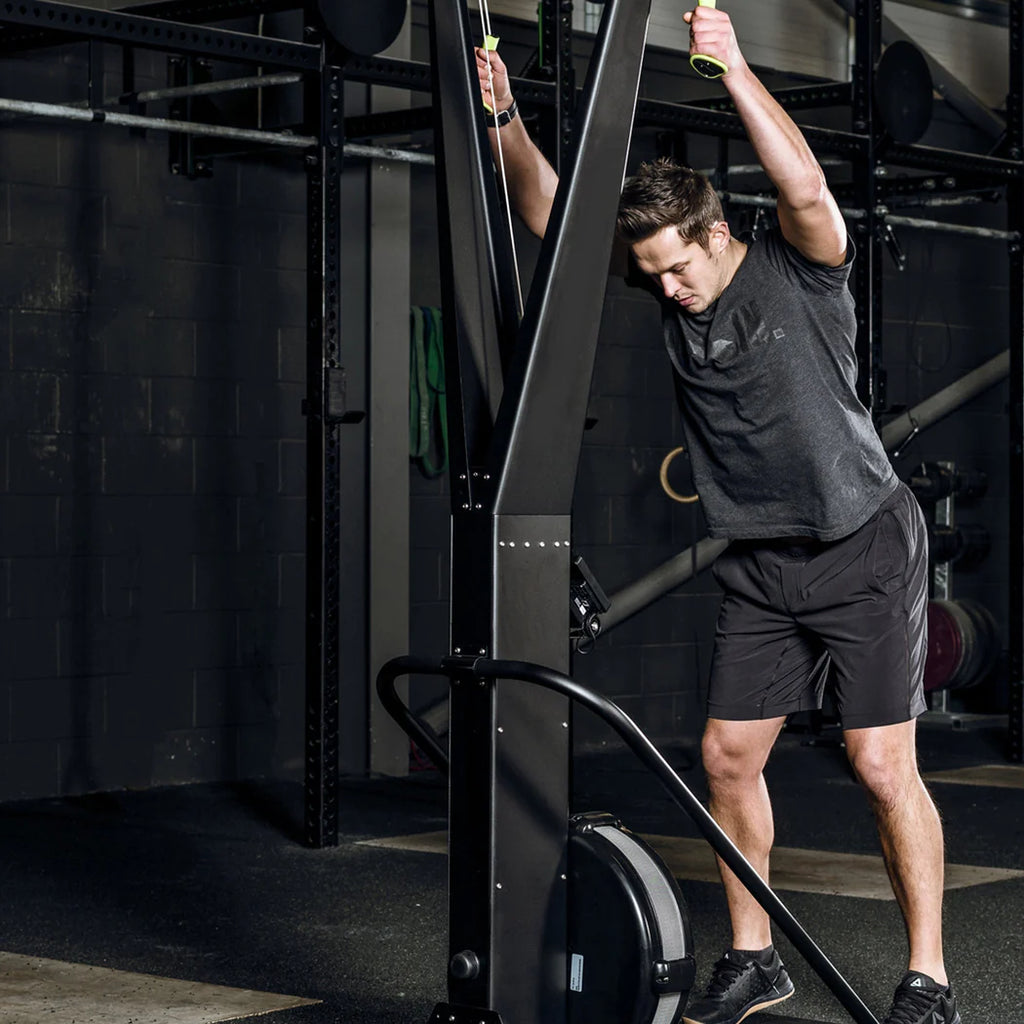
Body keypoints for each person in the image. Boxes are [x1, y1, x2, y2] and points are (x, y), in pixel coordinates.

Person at [475, 7, 960, 1024]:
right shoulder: (666, 281)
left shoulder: (799, 266)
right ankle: (754, 957)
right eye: (651, 274)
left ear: (716, 229)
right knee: (725, 757)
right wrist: (505, 118)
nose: (668, 288)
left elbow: (807, 187)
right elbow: (550, 216)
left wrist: (733, 64)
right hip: (760, 566)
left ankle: (928, 976)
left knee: (879, 763)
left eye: (678, 267)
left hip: (863, 547)